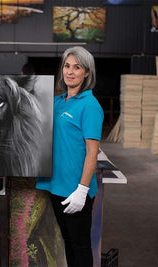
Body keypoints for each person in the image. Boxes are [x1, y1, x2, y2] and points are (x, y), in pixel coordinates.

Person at [36, 46, 104, 267]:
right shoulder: (56, 102)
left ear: (87, 73)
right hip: (57, 186)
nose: (70, 71)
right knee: (68, 241)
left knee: (81, 245)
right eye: (67, 66)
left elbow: (92, 152)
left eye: (77, 67)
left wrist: (82, 191)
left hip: (76, 190)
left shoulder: (90, 106)